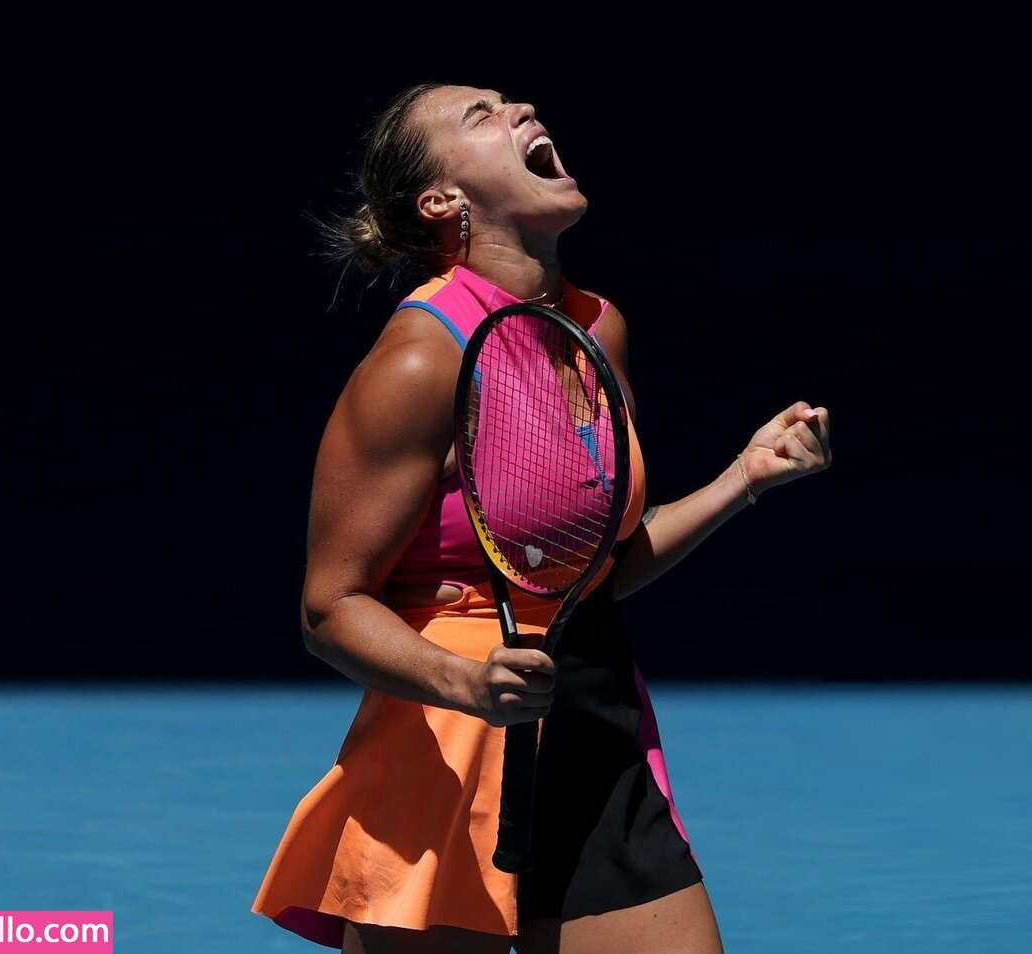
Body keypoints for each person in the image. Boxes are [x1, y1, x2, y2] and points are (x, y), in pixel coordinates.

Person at [251, 82, 832, 954]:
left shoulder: (599, 326)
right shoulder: (420, 360)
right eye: (480, 115)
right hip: (449, 746)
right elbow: (329, 607)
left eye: (510, 101)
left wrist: (742, 479)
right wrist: (467, 685)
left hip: (594, 718)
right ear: (441, 201)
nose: (520, 109)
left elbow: (594, 568)